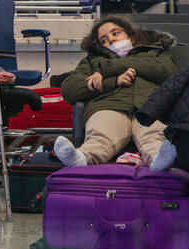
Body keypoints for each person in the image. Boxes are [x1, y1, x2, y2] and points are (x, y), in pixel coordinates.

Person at [54, 15, 178, 171]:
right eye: (104, 40)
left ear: (131, 37)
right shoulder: (92, 61)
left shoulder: (156, 52)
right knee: (101, 136)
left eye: (115, 33)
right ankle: (81, 157)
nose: (111, 40)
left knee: (153, 136)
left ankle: (158, 158)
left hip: (150, 104)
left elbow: (168, 72)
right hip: (109, 105)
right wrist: (111, 82)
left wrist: (107, 69)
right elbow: (70, 89)